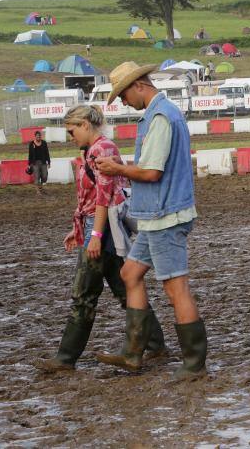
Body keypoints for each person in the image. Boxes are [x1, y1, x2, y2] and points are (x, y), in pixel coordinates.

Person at [94, 61, 207, 379]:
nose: (123, 102)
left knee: (176, 289)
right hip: (157, 215)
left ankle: (194, 363)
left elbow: (152, 172)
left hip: (164, 216)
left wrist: (117, 169)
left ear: (138, 85)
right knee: (130, 273)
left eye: (123, 95)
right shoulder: (165, 112)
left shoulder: (159, 117)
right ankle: (133, 352)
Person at [35, 105, 166, 372]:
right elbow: (93, 196)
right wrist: (80, 228)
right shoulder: (95, 150)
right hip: (101, 227)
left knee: (84, 293)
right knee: (122, 289)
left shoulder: (100, 150)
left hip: (102, 230)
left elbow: (104, 198)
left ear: (85, 124)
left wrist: (93, 235)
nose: (71, 137)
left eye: (72, 131)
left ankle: (65, 358)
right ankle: (155, 344)